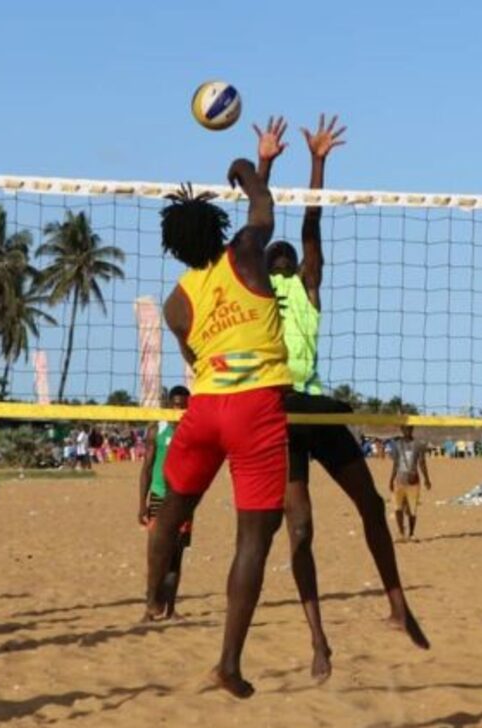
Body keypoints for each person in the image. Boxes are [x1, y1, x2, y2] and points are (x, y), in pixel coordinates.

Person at [255, 114, 429, 680]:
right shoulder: (255, 288)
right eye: (274, 254)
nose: (283, 255)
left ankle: (397, 604)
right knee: (299, 529)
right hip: (278, 413)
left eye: (288, 254)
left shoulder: (308, 286)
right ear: (263, 266)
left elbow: (310, 224)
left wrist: (318, 162)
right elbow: (259, 224)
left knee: (371, 505)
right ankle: (318, 640)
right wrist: (263, 166)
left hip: (317, 405)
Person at [145, 158, 291, 699]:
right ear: (219, 228)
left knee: (170, 511)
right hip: (256, 410)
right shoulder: (246, 254)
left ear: (174, 246)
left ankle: (154, 595)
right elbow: (265, 207)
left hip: (205, 408)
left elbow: (194, 356)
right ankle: (228, 663)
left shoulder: (175, 303)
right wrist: (247, 169)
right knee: (253, 539)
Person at [138, 386, 193, 619]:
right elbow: (146, 469)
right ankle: (150, 608)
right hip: (159, 497)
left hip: (183, 498)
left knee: (176, 556)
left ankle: (170, 609)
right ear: (169, 404)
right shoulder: (156, 429)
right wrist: (142, 503)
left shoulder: (193, 429)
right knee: (156, 555)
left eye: (183, 405)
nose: (179, 409)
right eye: (176, 404)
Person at [389, 425, 431, 541]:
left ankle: (411, 534)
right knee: (398, 508)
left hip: (413, 481)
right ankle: (401, 533)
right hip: (399, 480)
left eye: (409, 429)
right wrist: (391, 479)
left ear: (412, 429)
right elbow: (396, 464)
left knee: (412, 509)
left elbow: (422, 463)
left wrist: (427, 479)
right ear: (401, 430)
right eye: (405, 429)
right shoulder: (397, 445)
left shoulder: (418, 445)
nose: (407, 431)